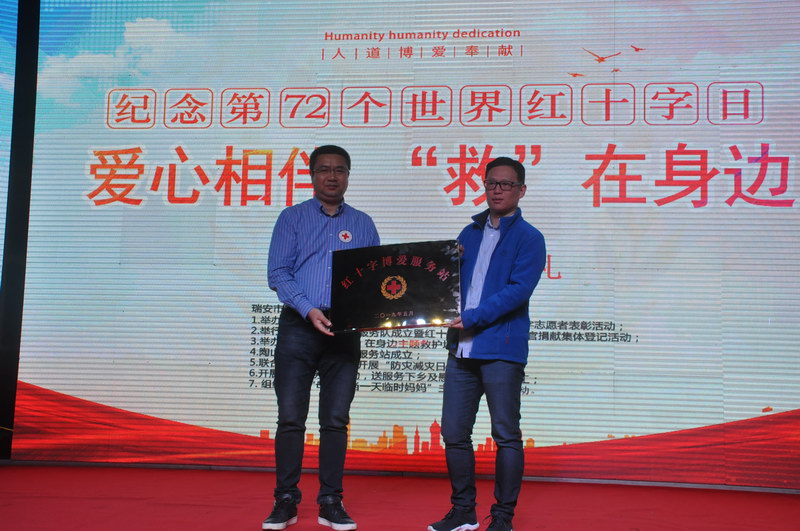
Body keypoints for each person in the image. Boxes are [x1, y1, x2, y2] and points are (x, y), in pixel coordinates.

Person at [264, 145, 379, 530]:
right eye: (324, 170)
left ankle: (331, 501)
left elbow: (374, 280)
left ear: (348, 175)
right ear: (312, 175)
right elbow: (278, 273)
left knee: (335, 419)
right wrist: (308, 308)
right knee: (290, 418)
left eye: (340, 170)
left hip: (344, 330)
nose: (332, 176)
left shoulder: (363, 223)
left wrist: (371, 314)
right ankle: (285, 500)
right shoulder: (292, 218)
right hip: (299, 324)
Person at [428, 157, 546, 531]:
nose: (497, 190)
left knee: (506, 435)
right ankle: (463, 511)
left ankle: (502, 517)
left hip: (501, 350)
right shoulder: (468, 233)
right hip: (461, 349)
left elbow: (518, 290)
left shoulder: (530, 238)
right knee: (453, 434)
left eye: (506, 184)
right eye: (491, 183)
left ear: (521, 190)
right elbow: (446, 282)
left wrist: (475, 317)